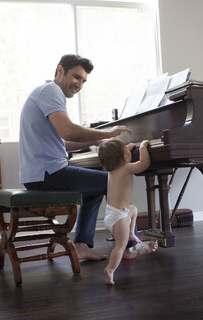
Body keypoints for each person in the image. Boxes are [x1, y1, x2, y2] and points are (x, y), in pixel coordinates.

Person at [19, 54, 147, 261]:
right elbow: (68, 131)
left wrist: (95, 142)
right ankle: (129, 245)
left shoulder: (45, 92)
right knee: (115, 180)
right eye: (76, 77)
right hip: (47, 173)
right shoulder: (50, 91)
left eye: (83, 81)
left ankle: (81, 246)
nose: (79, 84)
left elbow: (64, 143)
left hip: (42, 172)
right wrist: (105, 133)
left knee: (95, 187)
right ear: (60, 70)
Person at [98, 138, 158, 285]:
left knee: (134, 209)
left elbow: (120, 156)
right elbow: (144, 164)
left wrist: (127, 149)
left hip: (115, 214)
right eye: (126, 150)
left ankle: (131, 232)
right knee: (120, 245)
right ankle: (110, 270)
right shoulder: (127, 168)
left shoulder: (112, 170)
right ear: (124, 157)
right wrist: (143, 146)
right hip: (118, 218)